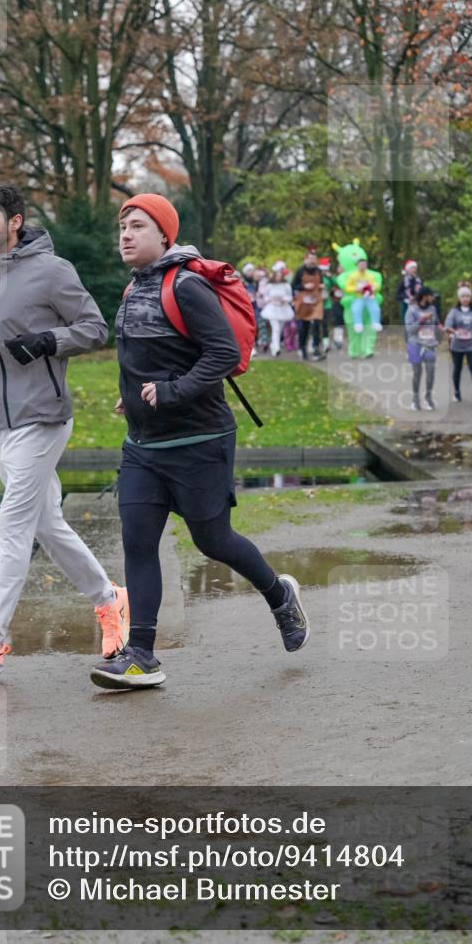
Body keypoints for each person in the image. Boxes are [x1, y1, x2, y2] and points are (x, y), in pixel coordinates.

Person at [90, 194, 310, 689]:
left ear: (164, 235)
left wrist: (169, 392)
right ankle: (140, 655)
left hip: (199, 441)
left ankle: (279, 595)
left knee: (214, 542)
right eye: (122, 226)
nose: (125, 234)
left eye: (138, 226)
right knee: (138, 541)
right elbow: (146, 357)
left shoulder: (185, 286)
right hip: (144, 445)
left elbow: (222, 355)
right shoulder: (132, 290)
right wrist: (131, 396)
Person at [0, 183, 130, 675]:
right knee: (47, 523)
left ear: (14, 221)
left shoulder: (52, 271)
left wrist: (49, 340)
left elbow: (93, 327)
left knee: (13, 521)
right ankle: (111, 600)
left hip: (44, 416)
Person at [444, 284, 472, 403]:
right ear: (459, 298)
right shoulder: (454, 312)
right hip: (457, 345)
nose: (465, 298)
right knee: (457, 368)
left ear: (470, 298)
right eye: (463, 296)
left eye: (467, 296)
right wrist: (454, 331)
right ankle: (457, 392)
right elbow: (447, 326)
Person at [405, 286, 442, 411]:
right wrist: (422, 320)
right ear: (425, 296)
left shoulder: (432, 308)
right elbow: (409, 329)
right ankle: (415, 399)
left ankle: (428, 397)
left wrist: (440, 333)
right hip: (415, 344)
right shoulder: (412, 310)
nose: (433, 298)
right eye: (431, 296)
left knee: (431, 371)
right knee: (417, 373)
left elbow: (435, 324)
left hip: (429, 344)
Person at [292, 248, 325, 360]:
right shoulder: (300, 271)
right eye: (310, 258)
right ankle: (302, 348)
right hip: (303, 300)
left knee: (316, 322)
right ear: (306, 259)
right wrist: (304, 287)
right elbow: (293, 285)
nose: (312, 261)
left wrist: (321, 286)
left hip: (316, 299)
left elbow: (322, 282)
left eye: (314, 259)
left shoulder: (319, 271)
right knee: (304, 326)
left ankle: (316, 348)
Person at [261, 261, 294, 357]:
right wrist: (271, 299)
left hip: (283, 309)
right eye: (277, 275)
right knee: (275, 328)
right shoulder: (270, 285)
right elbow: (265, 297)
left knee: (279, 329)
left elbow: (290, 297)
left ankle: (274, 344)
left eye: (280, 275)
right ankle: (276, 348)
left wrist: (284, 300)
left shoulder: (286, 285)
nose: (278, 277)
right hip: (272, 309)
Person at [345, 259, 383, 334]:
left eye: (364, 264)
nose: (362, 266)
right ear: (357, 265)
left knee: (375, 309)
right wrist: (355, 289)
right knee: (356, 309)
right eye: (361, 264)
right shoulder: (352, 275)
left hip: (370, 297)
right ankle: (358, 323)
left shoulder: (370, 275)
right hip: (358, 297)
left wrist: (374, 287)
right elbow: (347, 287)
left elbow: (377, 285)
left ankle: (375, 322)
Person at [396, 259, 422, 335]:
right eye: (412, 268)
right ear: (408, 270)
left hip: (417, 305)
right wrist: (406, 298)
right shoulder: (403, 282)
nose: (414, 270)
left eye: (415, 268)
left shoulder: (419, 280)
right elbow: (397, 295)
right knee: (407, 326)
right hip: (406, 306)